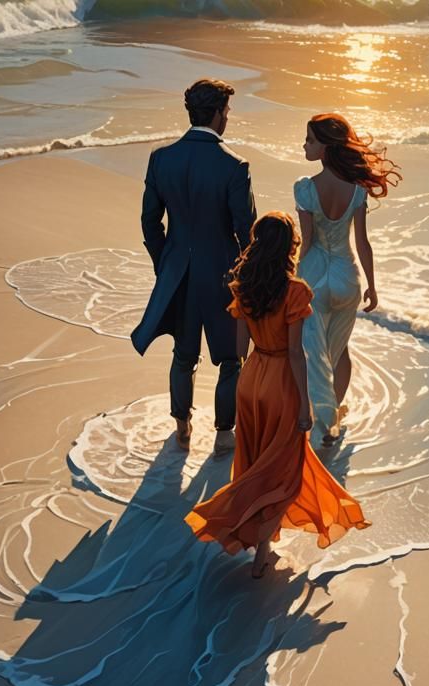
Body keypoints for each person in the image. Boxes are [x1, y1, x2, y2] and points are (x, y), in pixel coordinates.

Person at [185, 212, 370, 577]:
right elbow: (296, 354)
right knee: (282, 473)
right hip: (282, 382)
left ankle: (261, 547)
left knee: (257, 465)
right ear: (290, 247)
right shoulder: (296, 291)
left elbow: (240, 348)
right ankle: (256, 554)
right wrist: (305, 404)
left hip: (252, 381)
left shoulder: (244, 287)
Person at [131, 78, 257, 456]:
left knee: (184, 354)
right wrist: (246, 276)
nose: (228, 118)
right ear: (218, 113)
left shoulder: (161, 158)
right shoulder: (234, 165)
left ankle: (182, 426)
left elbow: (150, 221)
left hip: (178, 273)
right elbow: (245, 230)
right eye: (227, 112)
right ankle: (223, 434)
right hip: (223, 273)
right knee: (230, 358)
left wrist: (164, 263)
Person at [295, 113, 401, 446]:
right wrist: (372, 284)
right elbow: (363, 242)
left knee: (313, 353)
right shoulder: (357, 191)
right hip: (347, 277)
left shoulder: (306, 188)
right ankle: (332, 419)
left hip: (314, 277)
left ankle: (319, 417)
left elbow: (307, 240)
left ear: (326, 147)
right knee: (339, 352)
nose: (305, 145)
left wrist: (292, 275)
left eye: (311, 140)